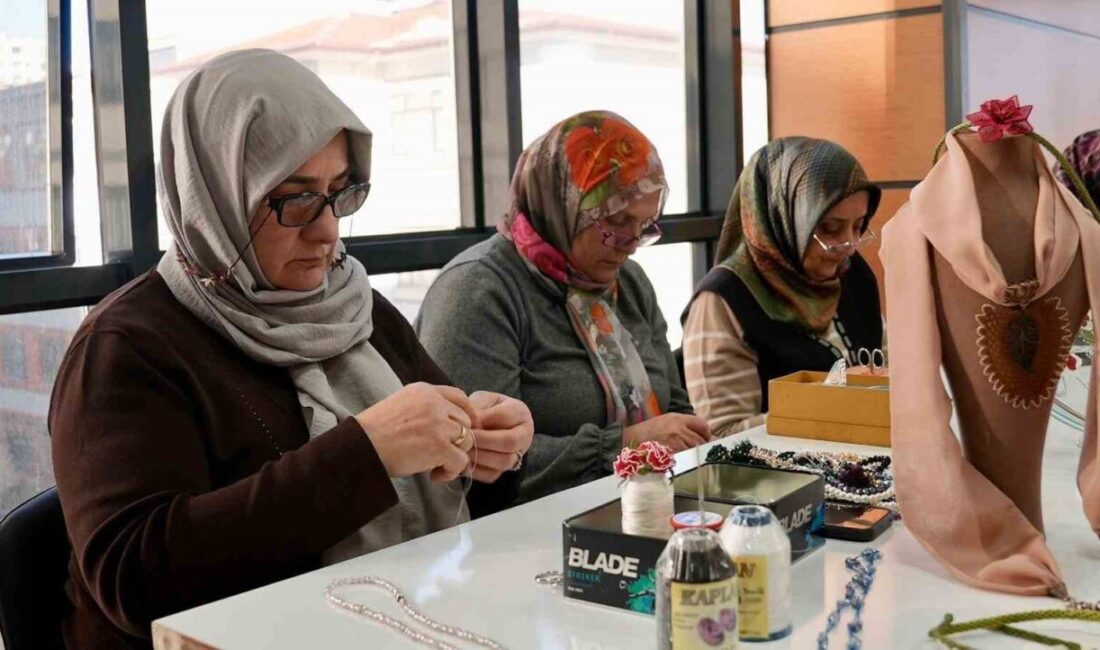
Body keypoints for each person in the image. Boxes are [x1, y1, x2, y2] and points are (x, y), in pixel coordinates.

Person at [48, 50, 532, 649]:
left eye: (339, 193)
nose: (327, 230)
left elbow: (446, 498)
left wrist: (490, 449)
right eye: (295, 199)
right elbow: (134, 579)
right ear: (217, 194)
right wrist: (366, 454)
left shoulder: (357, 307)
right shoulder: (127, 347)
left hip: (386, 619)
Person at [416, 111, 710, 510]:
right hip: (514, 536)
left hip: (639, 509)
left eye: (644, 226)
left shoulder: (630, 283)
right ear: (562, 205)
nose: (629, 244)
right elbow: (473, 460)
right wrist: (622, 446)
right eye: (617, 221)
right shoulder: (479, 291)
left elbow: (674, 406)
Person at [682, 137, 884, 436]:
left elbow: (887, 367)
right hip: (779, 477)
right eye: (830, 228)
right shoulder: (725, 300)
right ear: (784, 217)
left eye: (859, 226)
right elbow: (722, 433)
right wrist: (839, 410)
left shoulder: (851, 275)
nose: (849, 246)